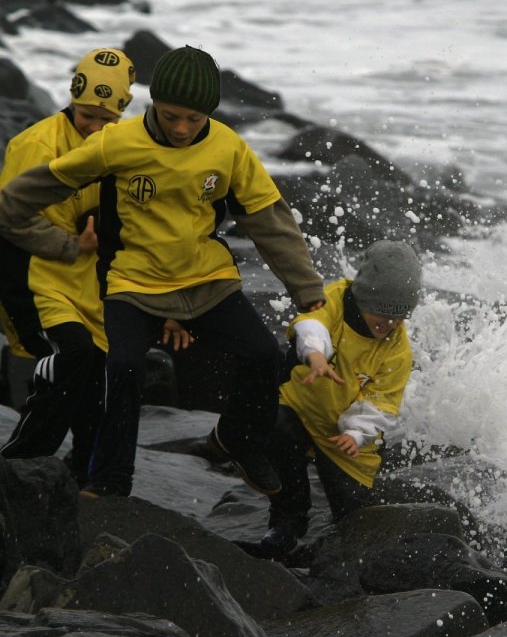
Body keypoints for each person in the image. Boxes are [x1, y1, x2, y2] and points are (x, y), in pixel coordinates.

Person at [0, 45, 325, 497]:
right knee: (108, 367)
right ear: (153, 104)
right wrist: (37, 227)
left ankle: (234, 441)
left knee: (263, 355)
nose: (181, 128)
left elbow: (263, 218)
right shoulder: (107, 143)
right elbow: (35, 194)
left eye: (194, 119)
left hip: (176, 281)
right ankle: (73, 475)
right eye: (171, 116)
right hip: (97, 283)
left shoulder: (226, 147)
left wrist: (305, 288)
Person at [0, 48, 135, 486]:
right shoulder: (37, 145)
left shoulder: (125, 147)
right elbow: (6, 217)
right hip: (28, 274)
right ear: (71, 100)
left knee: (97, 372)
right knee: (68, 357)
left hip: (87, 283)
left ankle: (84, 472)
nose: (95, 127)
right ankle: (19, 463)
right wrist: (69, 244)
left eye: (106, 120)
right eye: (86, 116)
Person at [252, 239, 422, 559]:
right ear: (363, 298)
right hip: (302, 406)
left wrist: (355, 433)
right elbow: (311, 323)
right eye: (382, 316)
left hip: (344, 435)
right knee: (275, 426)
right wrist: (315, 354)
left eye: (398, 319)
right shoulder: (335, 298)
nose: (388, 326)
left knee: (355, 519)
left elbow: (382, 401)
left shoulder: (398, 348)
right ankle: (287, 521)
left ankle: (337, 547)